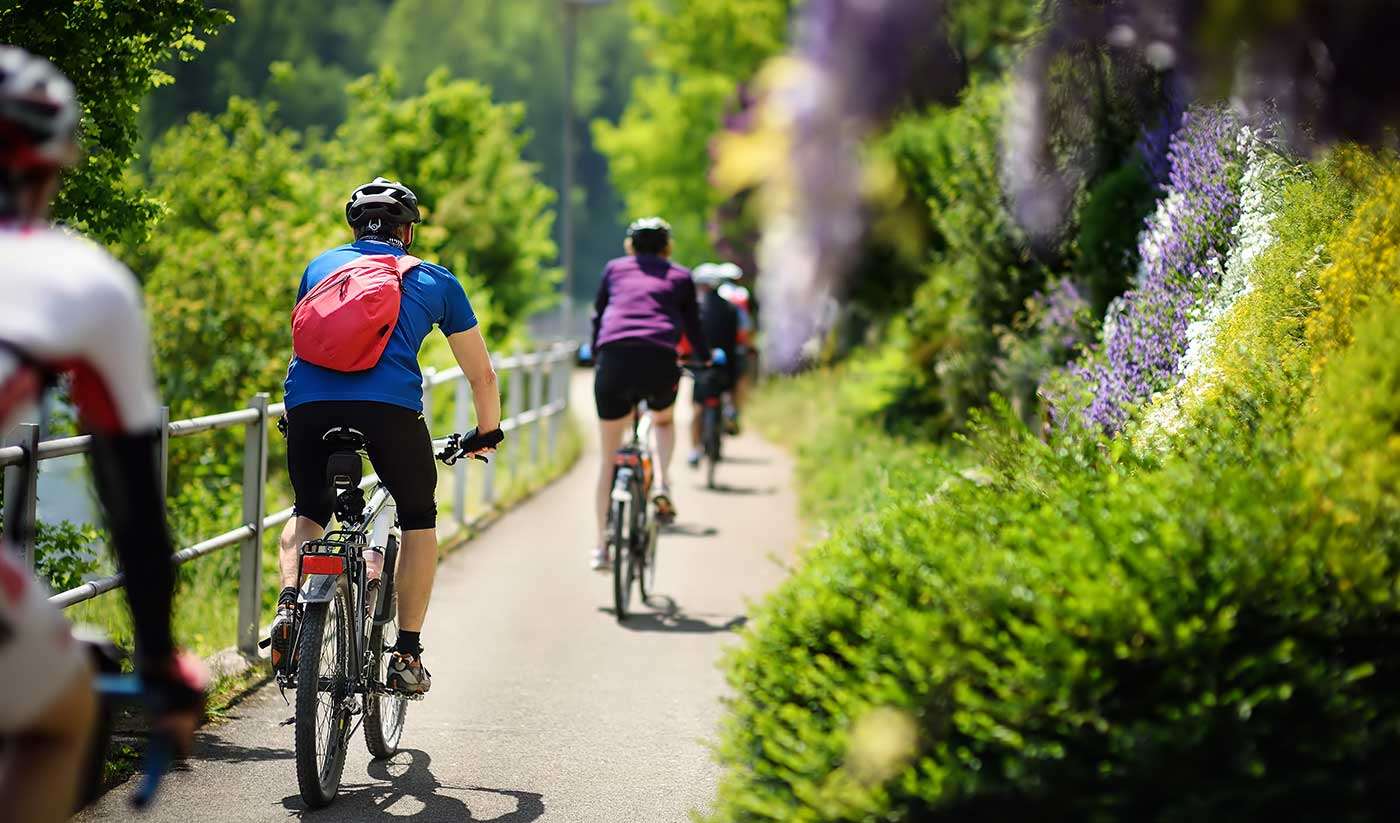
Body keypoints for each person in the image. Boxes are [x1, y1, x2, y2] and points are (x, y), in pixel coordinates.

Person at [0, 47, 204, 821]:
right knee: (64, 719)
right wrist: (161, 660)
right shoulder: (79, 278)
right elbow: (131, 501)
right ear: (54, 162)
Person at [271, 177, 502, 696]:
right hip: (390, 413)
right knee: (418, 517)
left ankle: (288, 604)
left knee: (307, 512)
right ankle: (407, 655)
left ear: (355, 228)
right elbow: (482, 376)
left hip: (309, 407)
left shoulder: (321, 267)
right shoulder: (434, 280)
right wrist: (487, 431)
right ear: (408, 232)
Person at [590, 217, 713, 571]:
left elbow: (600, 316)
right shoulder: (680, 276)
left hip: (613, 360)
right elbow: (693, 326)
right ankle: (661, 482)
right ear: (667, 247)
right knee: (662, 420)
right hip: (660, 359)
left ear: (631, 246)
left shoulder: (614, 269)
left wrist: (595, 351)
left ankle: (601, 548)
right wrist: (704, 358)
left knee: (608, 457)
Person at [684, 264, 741, 468]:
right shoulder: (731, 308)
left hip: (701, 365)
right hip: (727, 366)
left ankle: (693, 449)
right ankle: (731, 412)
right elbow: (737, 338)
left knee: (697, 409)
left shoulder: (695, 309)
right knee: (731, 389)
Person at [716, 262, 755, 433]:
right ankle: (733, 410)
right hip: (737, 346)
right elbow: (746, 325)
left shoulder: (715, 294)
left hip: (714, 346)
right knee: (739, 379)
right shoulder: (742, 295)